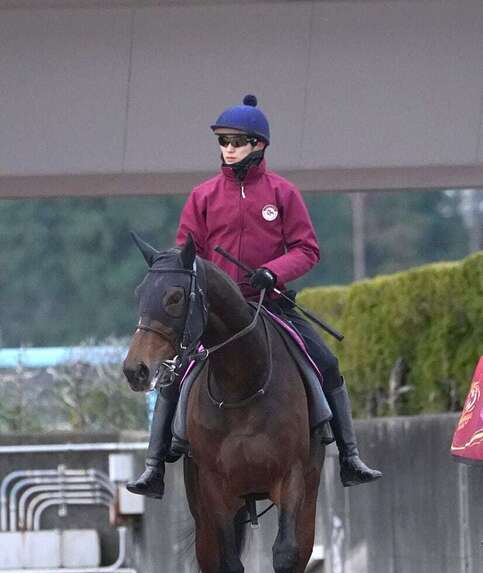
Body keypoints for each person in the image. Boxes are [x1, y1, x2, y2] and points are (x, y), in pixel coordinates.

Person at [127, 95, 382, 499]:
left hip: (272, 303)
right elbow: (185, 256)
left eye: (236, 141)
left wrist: (273, 272)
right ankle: (154, 465)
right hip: (215, 313)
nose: (227, 149)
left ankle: (350, 456)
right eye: (223, 141)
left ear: (258, 145)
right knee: (174, 375)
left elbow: (307, 248)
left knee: (328, 363)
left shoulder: (283, 193)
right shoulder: (202, 197)